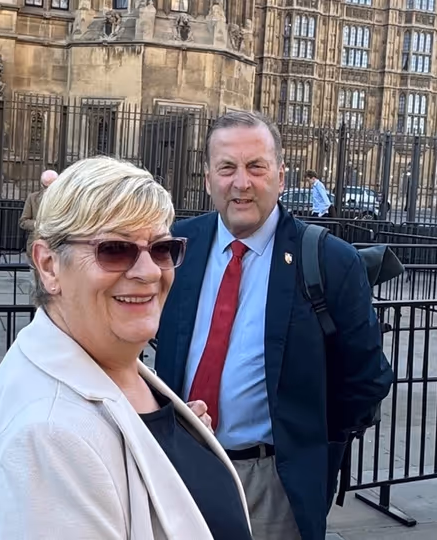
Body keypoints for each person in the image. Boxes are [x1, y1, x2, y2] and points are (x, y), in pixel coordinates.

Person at [0, 156, 252, 540]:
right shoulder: (50, 441)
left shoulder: (110, 362)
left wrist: (176, 438)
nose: (149, 271)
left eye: (161, 248)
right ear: (49, 265)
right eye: (115, 249)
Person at [155, 111, 393, 540]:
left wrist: (308, 442)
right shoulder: (175, 246)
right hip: (176, 467)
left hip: (271, 484)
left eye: (255, 167)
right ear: (208, 177)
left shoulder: (331, 260)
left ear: (281, 177)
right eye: (227, 168)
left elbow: (367, 378)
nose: (241, 183)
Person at [18, 169, 58, 263]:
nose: (49, 190)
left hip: (57, 247)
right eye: (46, 187)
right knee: (36, 276)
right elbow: (23, 222)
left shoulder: (65, 199)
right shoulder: (33, 198)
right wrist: (38, 224)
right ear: (41, 185)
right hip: (36, 246)